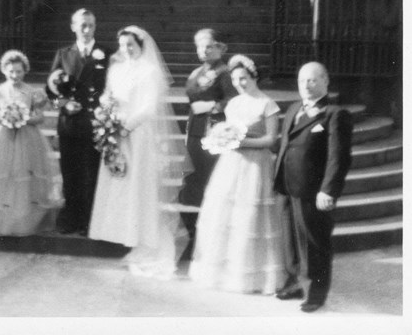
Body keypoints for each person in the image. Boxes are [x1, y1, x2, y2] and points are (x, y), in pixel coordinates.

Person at [88, 25, 189, 280]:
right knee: (118, 183)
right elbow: (107, 96)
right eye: (122, 45)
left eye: (130, 45)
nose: (126, 50)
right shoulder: (116, 69)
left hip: (137, 134)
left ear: (141, 46)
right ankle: (124, 235)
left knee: (137, 184)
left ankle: (143, 240)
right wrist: (106, 116)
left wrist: (126, 125)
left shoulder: (150, 72)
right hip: (115, 133)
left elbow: (149, 107)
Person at [189, 55, 284, 294]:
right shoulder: (233, 104)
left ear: (254, 77)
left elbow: (271, 139)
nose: (240, 83)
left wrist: (242, 142)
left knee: (249, 217)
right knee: (225, 215)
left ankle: (253, 278)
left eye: (243, 78)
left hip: (255, 166)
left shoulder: (267, 104)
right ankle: (223, 274)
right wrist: (221, 138)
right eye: (235, 79)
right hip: (231, 165)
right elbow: (226, 130)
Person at [273, 62, 353, 313]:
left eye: (312, 80)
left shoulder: (334, 113)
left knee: (314, 242)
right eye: (301, 81)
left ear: (326, 81)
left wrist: (328, 190)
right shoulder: (294, 108)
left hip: (312, 189)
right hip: (286, 185)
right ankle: (294, 282)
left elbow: (338, 158)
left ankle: (317, 293)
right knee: (289, 240)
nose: (306, 85)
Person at [0, 50, 63, 236]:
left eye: (19, 72)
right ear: (4, 71)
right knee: (4, 177)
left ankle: (23, 221)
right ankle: (2, 221)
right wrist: (4, 119)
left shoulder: (32, 92)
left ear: (25, 71)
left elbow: (40, 118)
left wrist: (24, 118)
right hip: (3, 138)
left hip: (27, 138)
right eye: (11, 71)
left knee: (24, 178)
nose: (15, 75)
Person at [45, 8, 110, 236]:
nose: (86, 30)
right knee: (70, 174)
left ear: (95, 27)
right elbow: (50, 93)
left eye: (90, 25)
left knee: (91, 174)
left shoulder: (106, 53)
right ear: (73, 26)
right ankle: (70, 218)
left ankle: (88, 221)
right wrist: (63, 105)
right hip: (70, 124)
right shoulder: (63, 54)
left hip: (96, 123)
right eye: (82, 25)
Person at [177, 29, 237, 237]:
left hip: (214, 132)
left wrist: (212, 105)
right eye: (200, 46)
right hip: (195, 131)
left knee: (210, 178)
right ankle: (193, 227)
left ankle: (212, 228)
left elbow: (233, 100)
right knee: (193, 178)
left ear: (220, 48)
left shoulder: (226, 73)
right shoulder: (196, 73)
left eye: (209, 46)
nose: (204, 50)